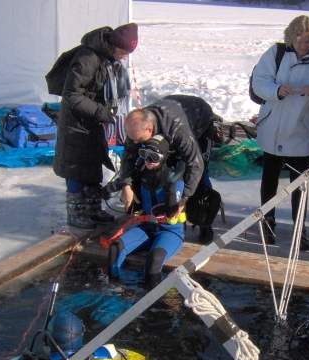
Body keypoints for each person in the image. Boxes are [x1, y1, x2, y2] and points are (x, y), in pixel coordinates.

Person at [252, 15, 309, 249]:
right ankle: (267, 226)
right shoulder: (276, 53)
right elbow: (259, 83)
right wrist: (277, 90)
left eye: (307, 42)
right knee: (269, 178)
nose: (303, 46)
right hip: (274, 127)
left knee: (300, 183)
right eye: (299, 41)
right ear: (291, 37)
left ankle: (300, 231)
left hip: (302, 129)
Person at [50, 23, 139, 229]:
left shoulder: (109, 59)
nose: (125, 57)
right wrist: (101, 112)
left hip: (92, 121)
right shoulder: (88, 58)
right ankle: (76, 212)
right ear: (114, 45)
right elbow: (72, 94)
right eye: (123, 52)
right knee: (75, 166)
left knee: (93, 162)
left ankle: (92, 208)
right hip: (76, 123)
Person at [119, 95, 216, 241]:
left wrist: (184, 198)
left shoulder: (177, 129)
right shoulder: (137, 127)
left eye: (137, 139)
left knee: (199, 174)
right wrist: (126, 185)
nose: (134, 142)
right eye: (132, 138)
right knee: (159, 167)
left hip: (200, 119)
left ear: (149, 129)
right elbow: (128, 156)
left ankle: (204, 222)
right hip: (170, 118)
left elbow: (195, 164)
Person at [108, 135, 185, 284]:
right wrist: (114, 187)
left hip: (170, 231)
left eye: (154, 157)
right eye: (145, 155)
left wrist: (172, 186)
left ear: (163, 157)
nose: (148, 161)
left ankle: (148, 300)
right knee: (115, 248)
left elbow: (171, 213)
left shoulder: (174, 177)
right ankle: (115, 290)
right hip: (146, 227)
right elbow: (129, 197)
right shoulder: (141, 173)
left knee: (154, 259)